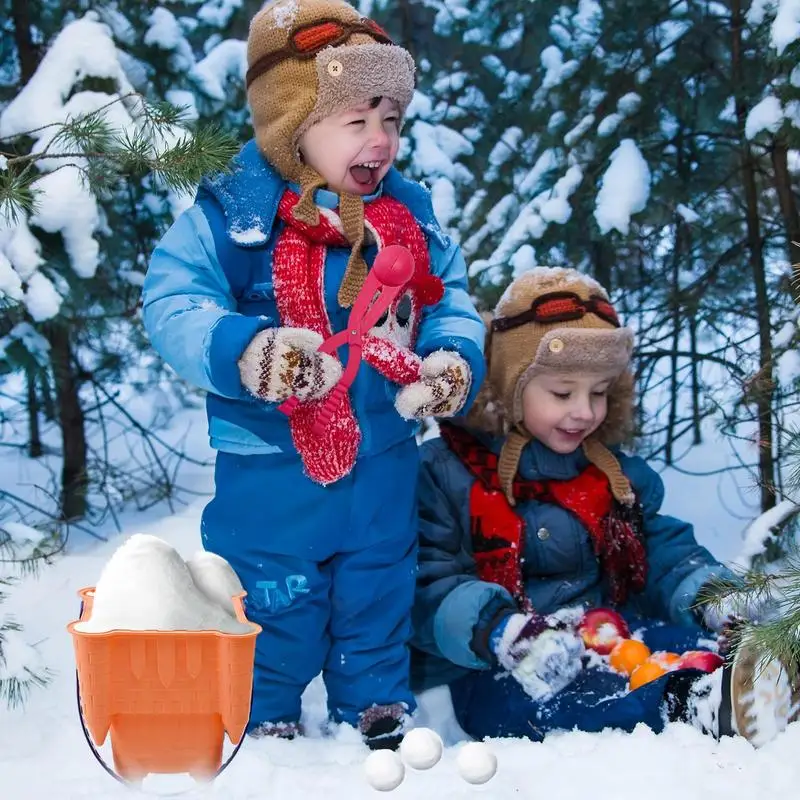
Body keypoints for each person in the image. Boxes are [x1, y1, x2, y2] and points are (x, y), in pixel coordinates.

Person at [141, 0, 485, 751]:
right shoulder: (235, 217)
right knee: (272, 597)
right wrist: (246, 350)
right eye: (357, 119)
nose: (382, 139)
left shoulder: (408, 219)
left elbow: (450, 296)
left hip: (383, 460)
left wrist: (452, 357)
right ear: (294, 123)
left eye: (391, 117)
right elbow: (172, 301)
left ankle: (376, 704)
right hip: (273, 473)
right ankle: (263, 712)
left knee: (378, 587)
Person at [410, 266, 798, 748]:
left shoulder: (614, 476)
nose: (584, 411)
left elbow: (664, 555)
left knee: (687, 648)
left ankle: (757, 680)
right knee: (562, 702)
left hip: (613, 633)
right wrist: (501, 631)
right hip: (498, 664)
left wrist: (710, 597)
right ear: (509, 387)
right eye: (562, 393)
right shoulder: (446, 473)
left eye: (598, 393)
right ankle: (692, 705)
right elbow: (427, 583)